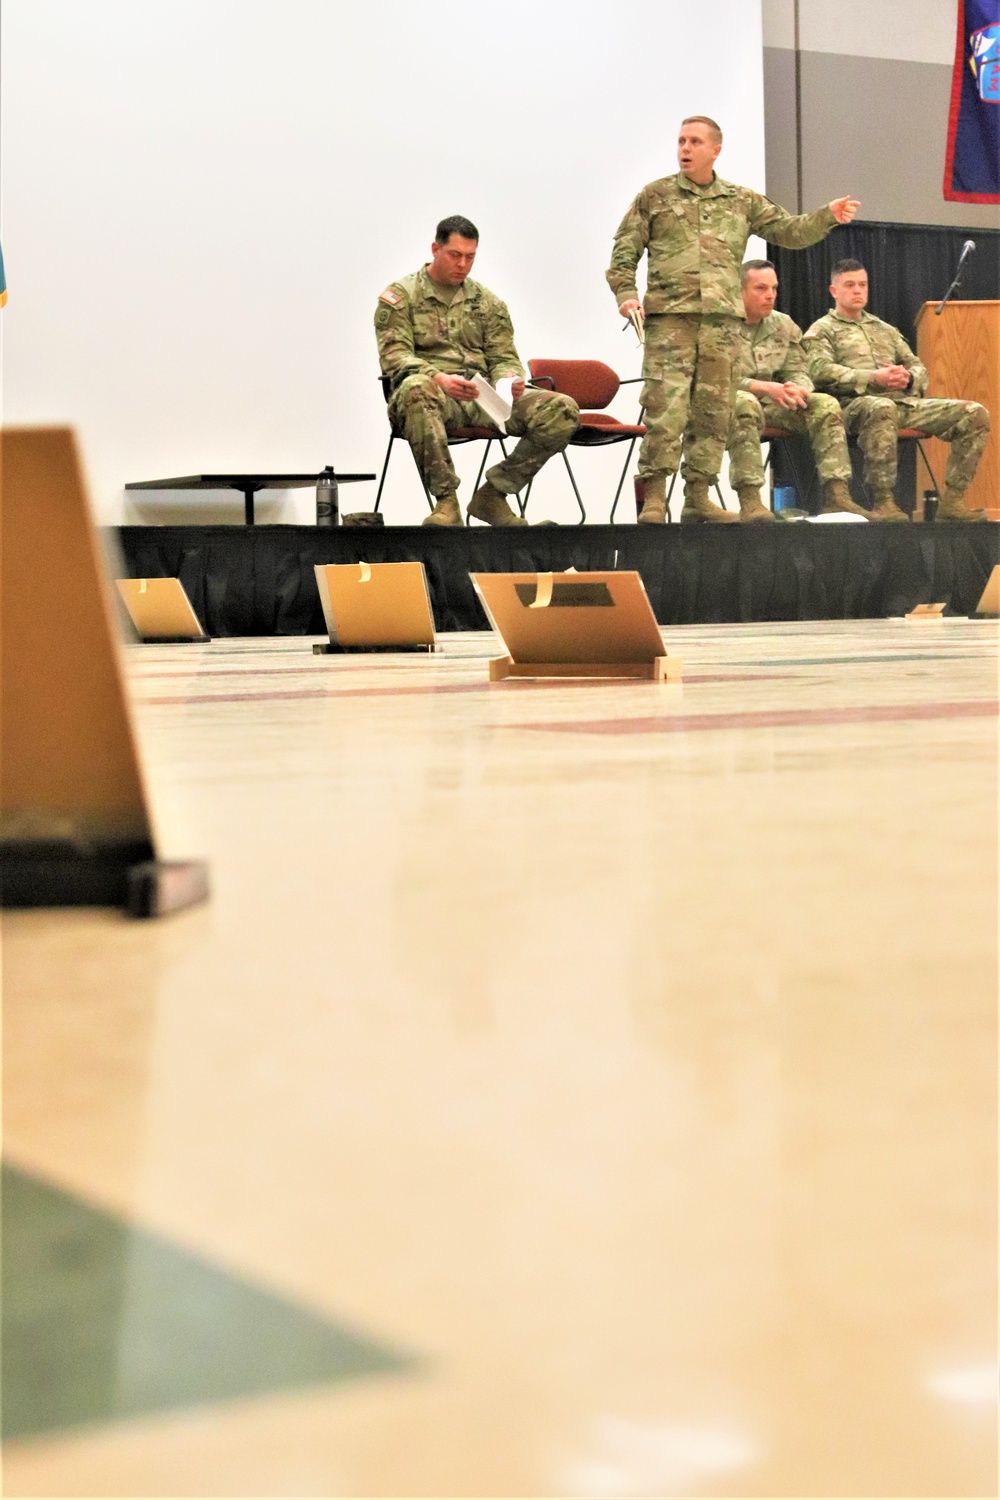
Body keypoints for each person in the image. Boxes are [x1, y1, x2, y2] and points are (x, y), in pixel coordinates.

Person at [607, 116, 859, 524]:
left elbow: (789, 231)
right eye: (681, 141)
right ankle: (654, 497)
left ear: (715, 150)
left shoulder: (740, 201)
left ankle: (698, 497)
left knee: (713, 411)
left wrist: (826, 215)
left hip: (723, 324)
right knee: (664, 410)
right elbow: (624, 249)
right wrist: (626, 294)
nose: (684, 148)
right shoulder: (655, 196)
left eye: (694, 141)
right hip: (671, 321)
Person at [374, 215, 579, 526]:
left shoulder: (488, 303)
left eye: (470, 257)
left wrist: (508, 380)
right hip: (434, 396)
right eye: (455, 255)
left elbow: (504, 356)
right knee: (417, 387)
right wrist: (439, 379)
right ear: (435, 249)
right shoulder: (401, 297)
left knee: (562, 409)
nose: (463, 264)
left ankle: (494, 494)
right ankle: (446, 503)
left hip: (484, 398)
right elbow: (395, 357)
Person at [804, 260, 991, 522]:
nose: (858, 290)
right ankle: (883, 500)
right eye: (850, 285)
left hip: (901, 404)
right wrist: (872, 378)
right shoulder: (823, 329)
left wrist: (908, 378)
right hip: (852, 408)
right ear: (834, 291)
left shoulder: (884, 329)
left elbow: (917, 365)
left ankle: (952, 502)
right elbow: (819, 371)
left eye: (862, 284)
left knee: (974, 413)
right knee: (882, 407)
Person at [727, 259, 867, 521]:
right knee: (744, 401)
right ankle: (751, 501)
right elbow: (711, 378)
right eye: (761, 288)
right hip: (724, 406)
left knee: (824, 404)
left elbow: (798, 370)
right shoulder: (719, 324)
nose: (770, 295)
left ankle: (837, 496)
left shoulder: (783, 324)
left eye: (774, 288)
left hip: (771, 405)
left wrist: (797, 389)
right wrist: (762, 387)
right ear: (740, 290)